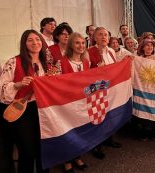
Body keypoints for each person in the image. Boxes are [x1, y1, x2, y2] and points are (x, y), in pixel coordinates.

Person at [0, 30, 50, 173]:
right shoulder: (14, 61)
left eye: (38, 39)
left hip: (44, 109)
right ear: (24, 43)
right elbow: (1, 90)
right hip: (23, 110)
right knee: (27, 150)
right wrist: (17, 85)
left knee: (43, 147)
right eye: (30, 40)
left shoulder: (47, 63)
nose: (35, 43)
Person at [88, 27, 122, 159]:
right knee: (98, 116)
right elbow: (86, 71)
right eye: (100, 35)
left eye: (106, 35)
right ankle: (96, 145)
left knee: (109, 115)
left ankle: (109, 139)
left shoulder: (111, 51)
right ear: (95, 37)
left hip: (110, 88)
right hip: (97, 89)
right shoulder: (89, 51)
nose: (104, 37)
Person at [60, 32, 89, 172]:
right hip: (67, 103)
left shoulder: (86, 62)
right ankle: (67, 161)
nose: (81, 46)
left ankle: (77, 156)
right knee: (68, 131)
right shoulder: (62, 61)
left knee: (80, 131)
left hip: (82, 102)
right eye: (77, 43)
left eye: (83, 43)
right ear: (71, 44)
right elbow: (56, 83)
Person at [137, 39, 155, 141]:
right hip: (143, 88)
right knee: (144, 111)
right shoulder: (138, 59)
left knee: (153, 110)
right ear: (142, 47)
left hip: (154, 88)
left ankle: (153, 131)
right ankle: (145, 132)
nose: (149, 47)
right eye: (147, 45)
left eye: (151, 46)